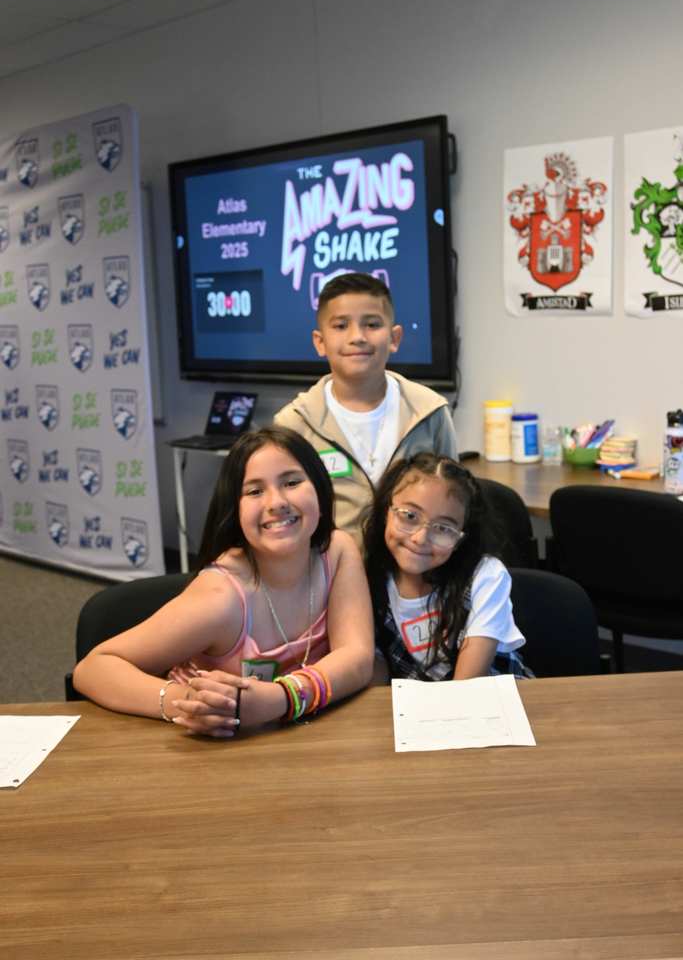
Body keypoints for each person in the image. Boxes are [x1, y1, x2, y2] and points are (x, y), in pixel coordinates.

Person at [73, 427, 374, 735]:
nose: (277, 502)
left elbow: (358, 657)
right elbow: (93, 668)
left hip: (295, 741)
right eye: (255, 491)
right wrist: (189, 701)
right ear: (235, 510)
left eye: (292, 482)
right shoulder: (221, 598)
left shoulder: (336, 551)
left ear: (321, 493)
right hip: (206, 752)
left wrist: (284, 698)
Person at [274, 272, 458, 546]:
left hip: (418, 576)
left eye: (372, 324)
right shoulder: (294, 424)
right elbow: (286, 518)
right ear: (320, 342)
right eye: (340, 326)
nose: (357, 336)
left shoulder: (430, 412)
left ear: (394, 338)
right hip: (330, 580)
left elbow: (454, 502)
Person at [363, 452, 530, 681]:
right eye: (409, 516)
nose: (420, 538)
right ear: (386, 512)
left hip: (491, 704)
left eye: (443, 528)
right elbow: (375, 675)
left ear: (462, 538)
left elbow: (466, 685)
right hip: (414, 710)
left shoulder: (485, 577)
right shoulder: (368, 578)